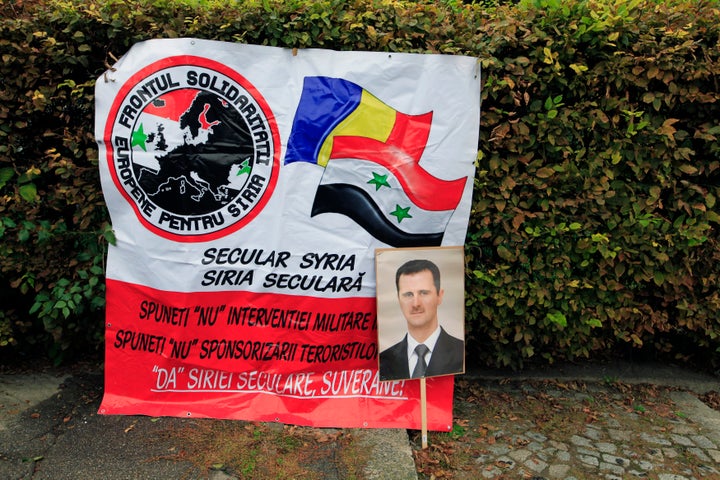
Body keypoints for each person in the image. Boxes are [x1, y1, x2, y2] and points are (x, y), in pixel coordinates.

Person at [379, 258, 464, 381]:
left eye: (423, 293)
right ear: (398, 299)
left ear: (439, 296)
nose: (416, 303)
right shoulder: (385, 359)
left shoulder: (460, 352)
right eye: (408, 295)